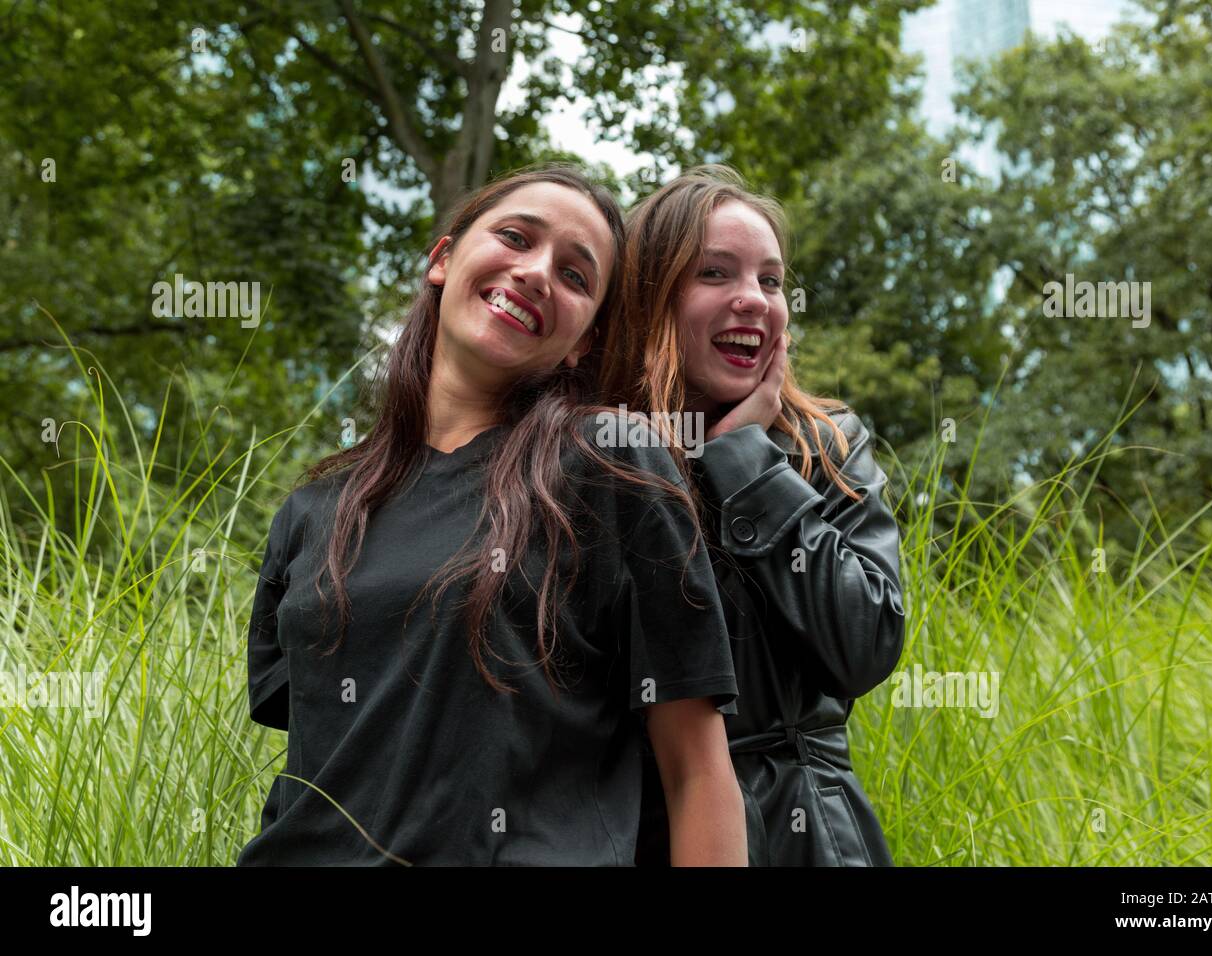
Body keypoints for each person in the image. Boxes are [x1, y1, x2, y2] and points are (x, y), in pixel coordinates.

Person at [237, 165, 745, 866]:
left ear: (584, 342)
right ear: (443, 259)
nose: (537, 273)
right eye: (515, 237)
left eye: (575, 275)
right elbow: (315, 762)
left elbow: (695, 770)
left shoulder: (609, 467)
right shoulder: (315, 507)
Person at [601, 165, 906, 866]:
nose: (754, 301)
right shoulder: (597, 449)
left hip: (809, 834)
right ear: (650, 297)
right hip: (634, 830)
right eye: (715, 273)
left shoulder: (825, 446)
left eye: (770, 281)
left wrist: (745, 463)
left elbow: (864, 646)